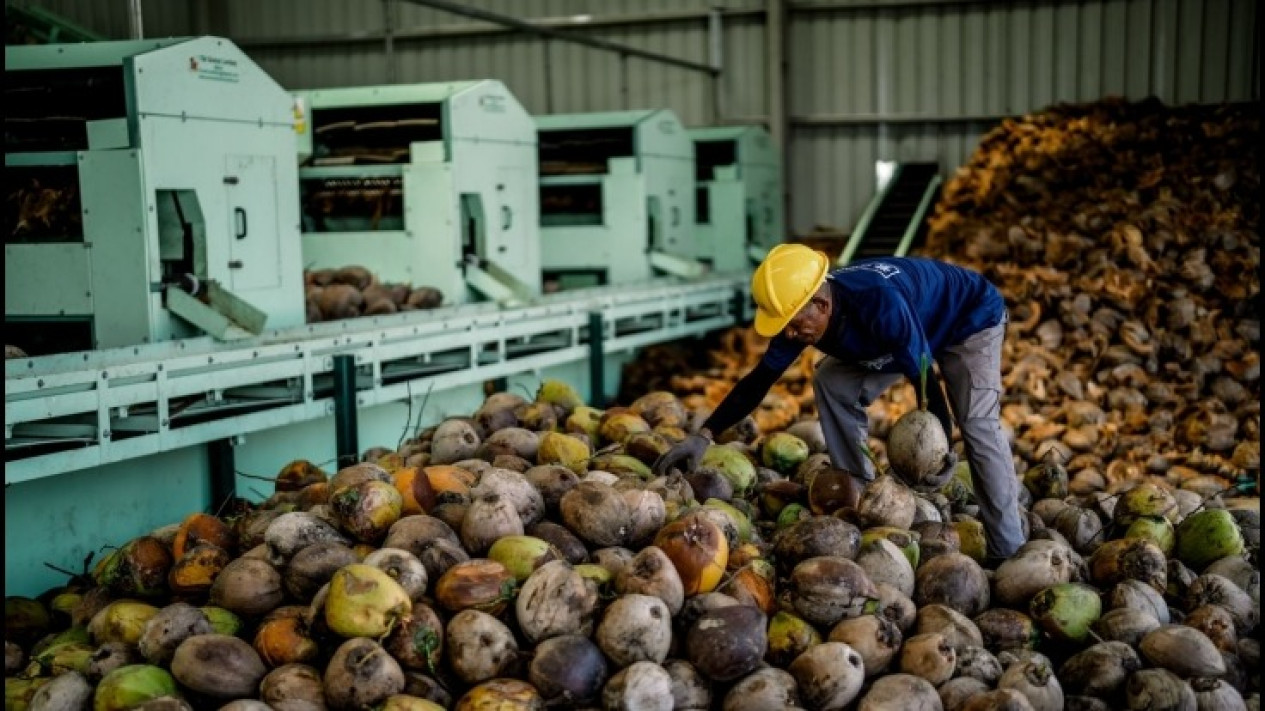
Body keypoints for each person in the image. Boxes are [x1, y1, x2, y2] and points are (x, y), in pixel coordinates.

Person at [652, 244, 1026, 559]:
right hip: (912, 330)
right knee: (831, 379)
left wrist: (941, 447)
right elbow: (759, 379)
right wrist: (704, 435)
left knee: (977, 425)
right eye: (786, 327)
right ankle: (859, 493)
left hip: (968, 318)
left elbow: (924, 378)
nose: (792, 334)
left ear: (822, 304)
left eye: (797, 325)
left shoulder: (878, 304)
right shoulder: (799, 317)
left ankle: (1008, 548)